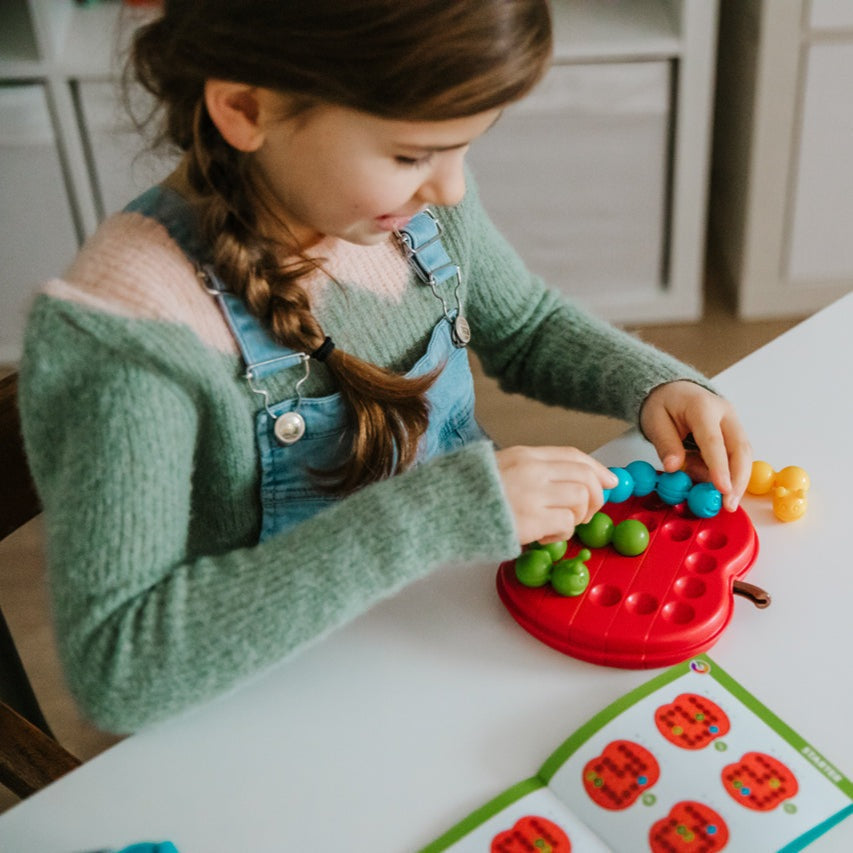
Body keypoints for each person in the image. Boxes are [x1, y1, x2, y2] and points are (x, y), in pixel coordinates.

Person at [18, 0, 751, 734]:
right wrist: (437, 514)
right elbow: (119, 667)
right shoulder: (126, 338)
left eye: (465, 146)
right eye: (411, 155)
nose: (451, 189)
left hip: (463, 635)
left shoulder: (405, 211)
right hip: (276, 718)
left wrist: (652, 382)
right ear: (245, 108)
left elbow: (525, 325)